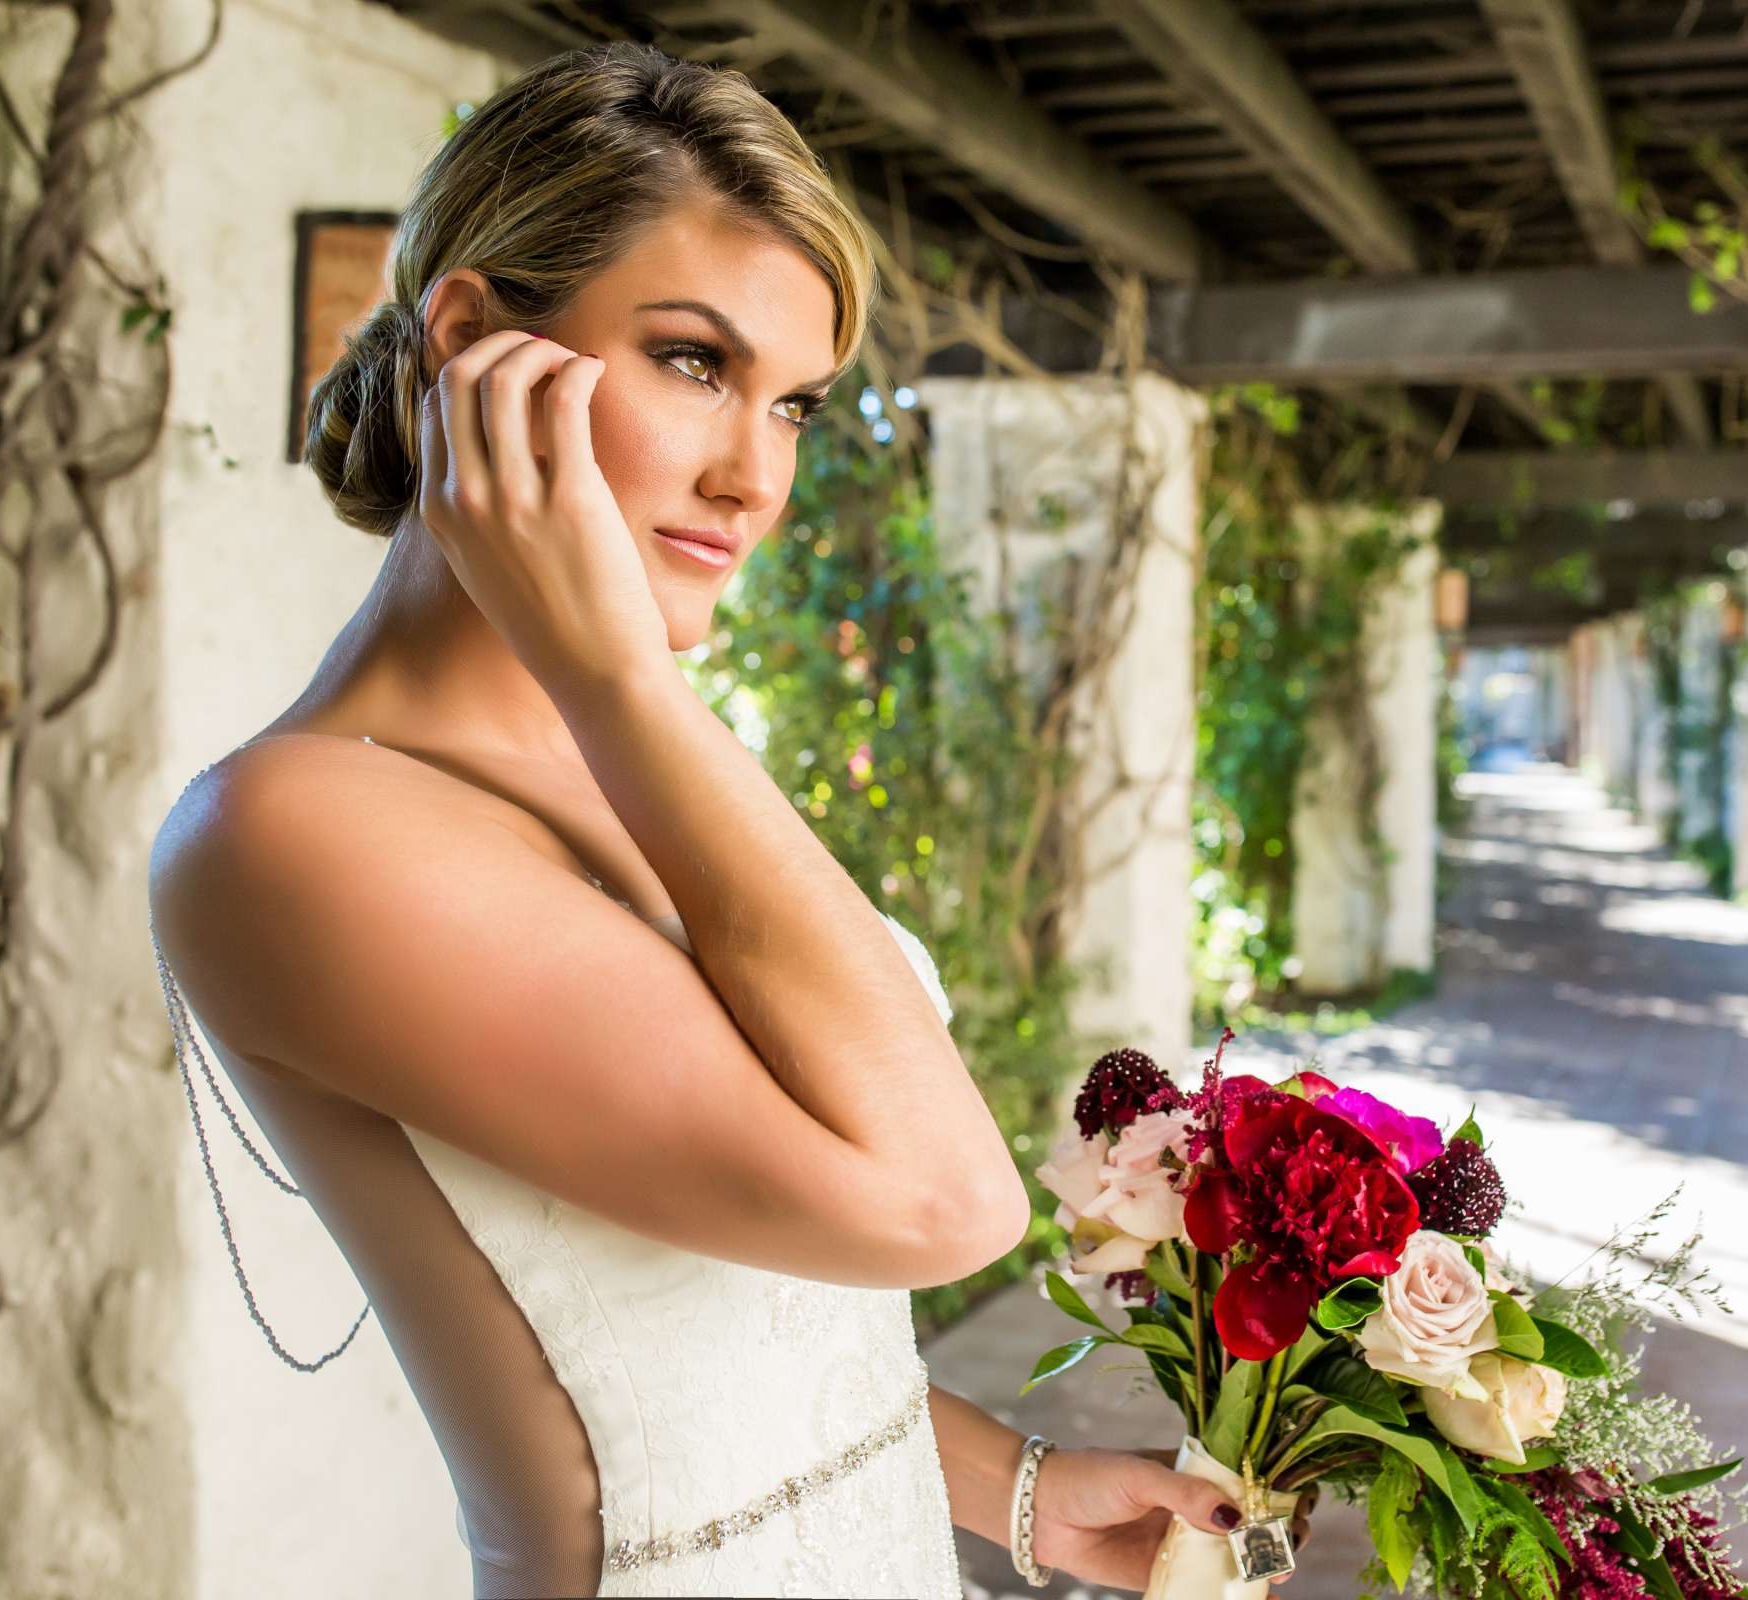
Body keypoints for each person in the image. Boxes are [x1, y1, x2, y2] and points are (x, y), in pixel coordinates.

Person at [145, 41, 1311, 1599]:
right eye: (694, 362)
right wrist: (619, 676)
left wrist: (1016, 1490)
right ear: (478, 339)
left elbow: (713, 1325)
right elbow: (944, 1206)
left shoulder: (629, 755)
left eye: (797, 407)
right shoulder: (294, 834)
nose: (753, 479)